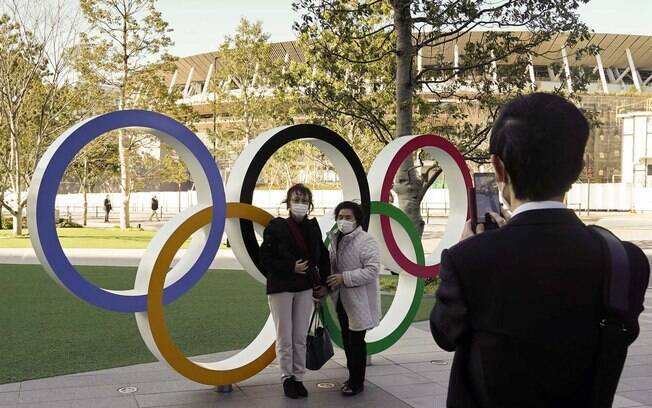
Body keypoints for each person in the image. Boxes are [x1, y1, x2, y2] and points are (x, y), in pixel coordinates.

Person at [430, 92, 650, 407]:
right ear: (580, 167)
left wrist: (476, 249)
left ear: (498, 168)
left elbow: (444, 334)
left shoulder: (469, 260)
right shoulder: (625, 261)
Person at [259, 184, 330, 399]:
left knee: (300, 336)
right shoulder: (276, 226)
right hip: (281, 287)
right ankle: (286, 378)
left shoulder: (313, 227)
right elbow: (265, 258)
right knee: (284, 336)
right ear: (288, 203)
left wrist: (324, 283)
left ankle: (299, 377)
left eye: (304, 200)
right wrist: (291, 267)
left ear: (310, 204)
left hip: (305, 288)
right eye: (296, 200)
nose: (300, 204)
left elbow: (323, 256)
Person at [326, 201, 380, 396]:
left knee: (356, 342)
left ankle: (357, 382)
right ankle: (352, 377)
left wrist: (344, 278)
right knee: (348, 341)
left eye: (348, 217)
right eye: (340, 217)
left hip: (359, 302)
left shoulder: (366, 241)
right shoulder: (336, 239)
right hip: (341, 299)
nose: (343, 221)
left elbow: (372, 270)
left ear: (357, 220)